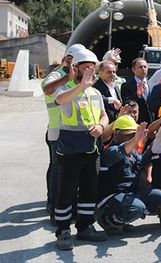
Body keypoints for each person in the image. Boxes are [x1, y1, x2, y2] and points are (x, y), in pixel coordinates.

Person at [53, 49, 109, 250]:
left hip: (91, 150)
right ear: (75, 68)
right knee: (66, 192)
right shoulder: (65, 88)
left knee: (89, 190)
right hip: (70, 151)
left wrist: (101, 126)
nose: (89, 71)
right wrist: (81, 86)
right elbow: (60, 100)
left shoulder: (95, 93)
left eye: (92, 68)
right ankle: (63, 231)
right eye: (85, 67)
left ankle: (85, 227)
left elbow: (104, 115)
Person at [95, 116, 161, 235]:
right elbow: (121, 151)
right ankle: (109, 221)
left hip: (129, 194)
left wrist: (154, 142)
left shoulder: (133, 152)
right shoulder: (111, 151)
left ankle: (122, 220)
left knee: (158, 196)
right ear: (116, 134)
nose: (132, 137)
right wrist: (136, 140)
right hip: (111, 197)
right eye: (128, 134)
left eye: (134, 134)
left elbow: (145, 161)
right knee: (138, 207)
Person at [41, 43, 85, 221]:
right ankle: (54, 206)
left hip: (70, 131)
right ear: (68, 60)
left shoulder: (76, 78)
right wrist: (66, 77)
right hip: (57, 130)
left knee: (63, 170)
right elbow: (47, 88)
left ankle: (63, 204)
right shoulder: (58, 75)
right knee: (58, 171)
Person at [120, 57, 152, 123]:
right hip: (135, 120)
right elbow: (125, 102)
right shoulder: (126, 85)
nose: (143, 69)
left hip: (151, 121)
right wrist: (137, 95)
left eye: (145, 67)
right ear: (133, 69)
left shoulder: (152, 85)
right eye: (140, 67)